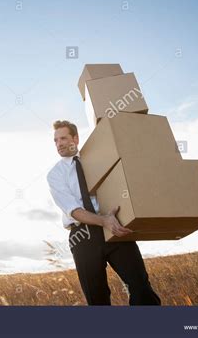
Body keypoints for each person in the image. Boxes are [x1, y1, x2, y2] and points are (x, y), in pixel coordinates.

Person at [46, 120, 161, 305]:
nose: (59, 143)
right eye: (55, 140)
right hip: (83, 236)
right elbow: (73, 210)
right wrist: (103, 221)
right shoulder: (55, 174)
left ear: (75, 138)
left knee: (141, 287)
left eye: (63, 138)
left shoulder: (98, 160)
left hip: (114, 226)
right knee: (97, 297)